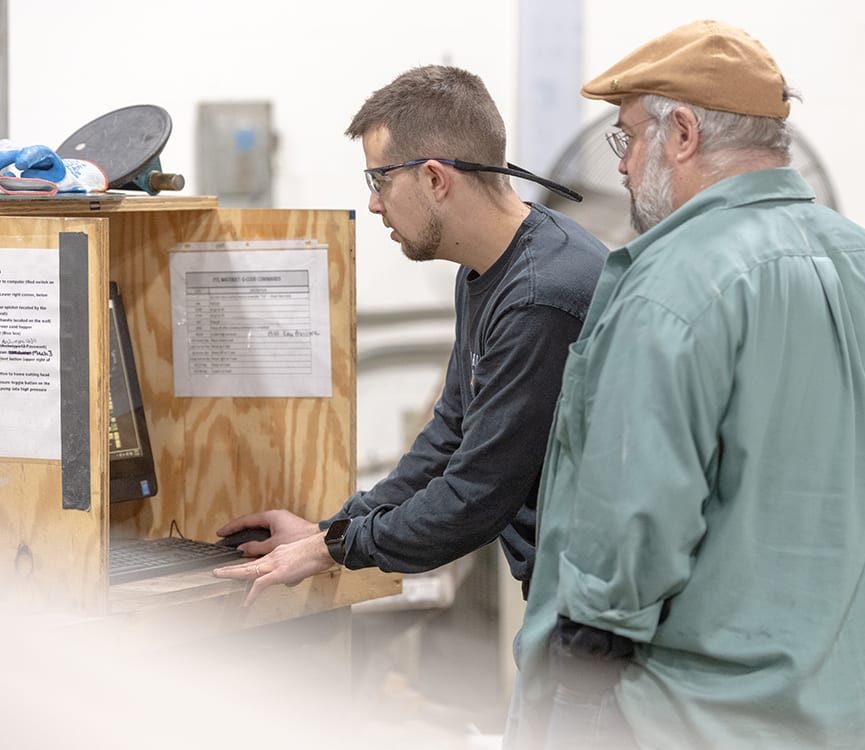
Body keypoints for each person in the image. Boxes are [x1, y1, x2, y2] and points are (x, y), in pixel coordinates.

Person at [511, 19, 865, 750]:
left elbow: (630, 523)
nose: (619, 167)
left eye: (628, 138)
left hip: (692, 718)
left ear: (682, 133)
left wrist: (573, 691)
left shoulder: (671, 285)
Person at [213, 65, 608, 609]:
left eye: (379, 180)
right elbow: (449, 434)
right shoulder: (487, 269)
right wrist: (330, 530)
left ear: (434, 179)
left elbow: (473, 498)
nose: (374, 203)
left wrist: (333, 549)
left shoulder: (540, 296)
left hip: (593, 603)